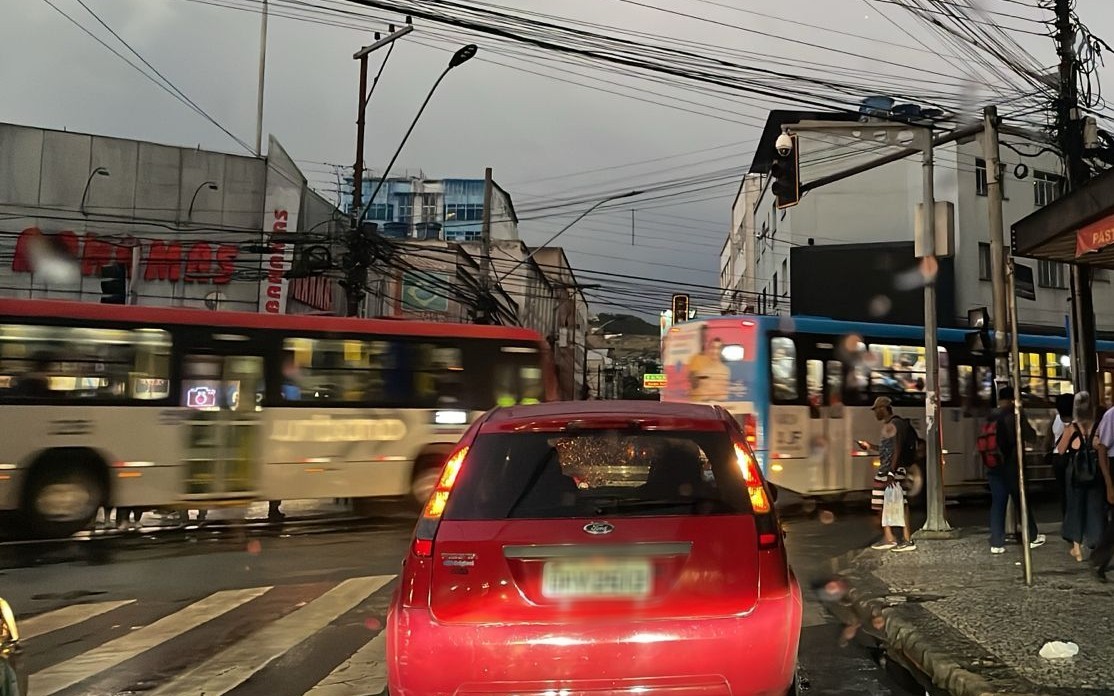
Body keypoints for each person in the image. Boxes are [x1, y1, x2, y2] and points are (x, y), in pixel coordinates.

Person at [983, 387, 1046, 554]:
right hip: (1012, 465)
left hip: (993, 464)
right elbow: (1030, 436)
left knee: (998, 502)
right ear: (1013, 399)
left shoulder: (991, 415)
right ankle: (1031, 536)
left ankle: (996, 543)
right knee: (1021, 501)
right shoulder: (1015, 414)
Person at [1057, 391, 1106, 563]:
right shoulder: (1097, 427)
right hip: (1094, 470)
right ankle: (1094, 542)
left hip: (1075, 472)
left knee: (1074, 507)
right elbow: (1101, 446)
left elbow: (1061, 450)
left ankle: (1077, 548)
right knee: (1095, 508)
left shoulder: (1071, 428)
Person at [867, 397, 915, 552]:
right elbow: (886, 449)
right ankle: (890, 537)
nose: (875, 413)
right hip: (889, 469)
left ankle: (906, 539)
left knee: (900, 502)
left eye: (876, 410)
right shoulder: (890, 425)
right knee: (882, 502)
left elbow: (897, 448)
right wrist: (870, 446)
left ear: (883, 408)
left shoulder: (895, 424)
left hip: (893, 470)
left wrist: (890, 472)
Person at [1091, 397, 1114, 582]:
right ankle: (1100, 560)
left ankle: (1100, 559)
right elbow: (1102, 450)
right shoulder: (1111, 415)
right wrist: (1109, 484)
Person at [686, 328, 730, 402]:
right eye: (713, 348)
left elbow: (724, 395)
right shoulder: (699, 365)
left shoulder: (725, 370)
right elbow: (693, 386)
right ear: (709, 349)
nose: (715, 351)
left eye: (718, 348)